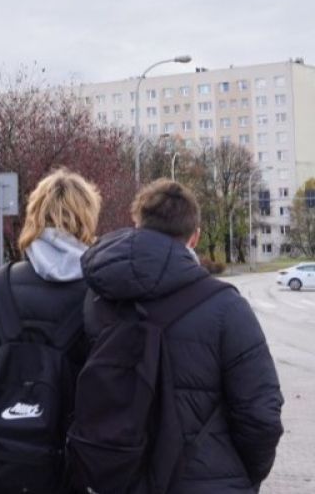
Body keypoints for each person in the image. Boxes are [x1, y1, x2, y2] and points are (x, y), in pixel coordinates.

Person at [79, 179, 284, 493]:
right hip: (208, 480)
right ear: (195, 237)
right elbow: (260, 414)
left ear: (137, 225)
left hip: (118, 475)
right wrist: (245, 475)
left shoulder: (98, 296)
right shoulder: (226, 306)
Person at [0, 169, 103, 492]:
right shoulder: (102, 298)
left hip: (2, 462)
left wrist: (3, 419)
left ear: (34, 216)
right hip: (73, 466)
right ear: (87, 218)